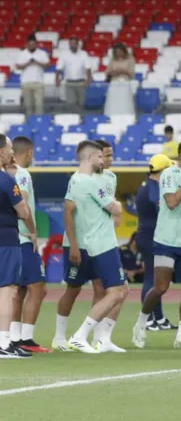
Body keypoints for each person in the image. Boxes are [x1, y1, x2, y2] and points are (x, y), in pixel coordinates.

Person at [132, 139, 181, 350]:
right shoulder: (169, 175)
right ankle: (140, 323)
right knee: (160, 287)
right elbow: (172, 203)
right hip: (165, 241)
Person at [53, 139, 122, 350]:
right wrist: (73, 244)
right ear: (91, 157)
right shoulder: (89, 182)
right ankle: (73, 336)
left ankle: (99, 339)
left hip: (95, 243)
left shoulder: (78, 179)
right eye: (101, 156)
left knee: (108, 289)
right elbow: (115, 208)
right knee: (111, 291)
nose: (104, 160)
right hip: (94, 244)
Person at [6, 136, 48, 353]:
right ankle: (25, 339)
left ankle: (14, 338)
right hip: (21, 239)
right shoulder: (21, 175)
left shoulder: (7, 174)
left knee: (18, 290)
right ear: (29, 152)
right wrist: (32, 231)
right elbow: (20, 204)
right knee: (37, 287)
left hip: (12, 239)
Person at [0, 134, 36, 358]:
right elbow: (23, 211)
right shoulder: (6, 181)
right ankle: (4, 341)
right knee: (7, 289)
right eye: (10, 148)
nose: (13, 153)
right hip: (5, 239)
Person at [133, 154, 172, 332]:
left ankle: (160, 318)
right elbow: (160, 209)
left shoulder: (147, 184)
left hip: (147, 235)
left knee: (157, 279)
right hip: (150, 237)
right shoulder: (153, 188)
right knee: (151, 278)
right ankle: (148, 318)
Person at [15, 34, 49, 116]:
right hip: (26, 83)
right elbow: (18, 66)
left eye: (33, 44)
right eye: (30, 44)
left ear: (36, 44)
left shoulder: (42, 53)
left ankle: (39, 121)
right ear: (26, 44)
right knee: (28, 105)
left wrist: (37, 62)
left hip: (38, 82)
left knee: (39, 105)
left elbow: (47, 66)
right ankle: (30, 122)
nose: (31, 46)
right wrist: (28, 63)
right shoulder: (22, 54)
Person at [56, 37, 92, 109]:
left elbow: (88, 68)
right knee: (70, 104)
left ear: (77, 44)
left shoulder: (83, 54)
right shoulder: (64, 54)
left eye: (74, 43)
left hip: (81, 83)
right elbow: (59, 68)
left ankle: (81, 118)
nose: (72, 45)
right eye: (71, 43)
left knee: (81, 104)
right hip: (69, 83)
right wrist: (57, 79)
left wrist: (88, 80)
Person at [104, 43, 135, 116]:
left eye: (120, 51)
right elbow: (107, 71)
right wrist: (114, 72)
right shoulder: (113, 60)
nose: (118, 53)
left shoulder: (130, 59)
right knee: (113, 102)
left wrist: (122, 71)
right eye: (117, 51)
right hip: (114, 83)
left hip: (125, 83)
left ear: (124, 51)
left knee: (124, 102)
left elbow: (131, 73)